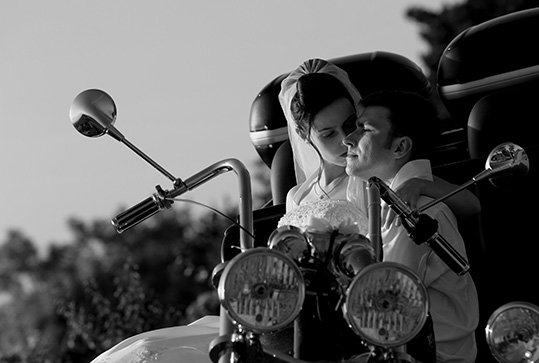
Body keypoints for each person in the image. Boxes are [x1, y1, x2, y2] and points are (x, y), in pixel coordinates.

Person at [343, 89, 479, 363]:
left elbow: (383, 297)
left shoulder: (415, 212)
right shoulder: (390, 200)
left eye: (364, 129)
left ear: (400, 147)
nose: (348, 139)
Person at [278, 58, 481, 227]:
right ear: (303, 135)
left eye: (350, 125)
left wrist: (419, 184)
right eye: (328, 134)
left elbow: (471, 205)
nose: (345, 139)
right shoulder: (296, 197)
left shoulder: (374, 172)